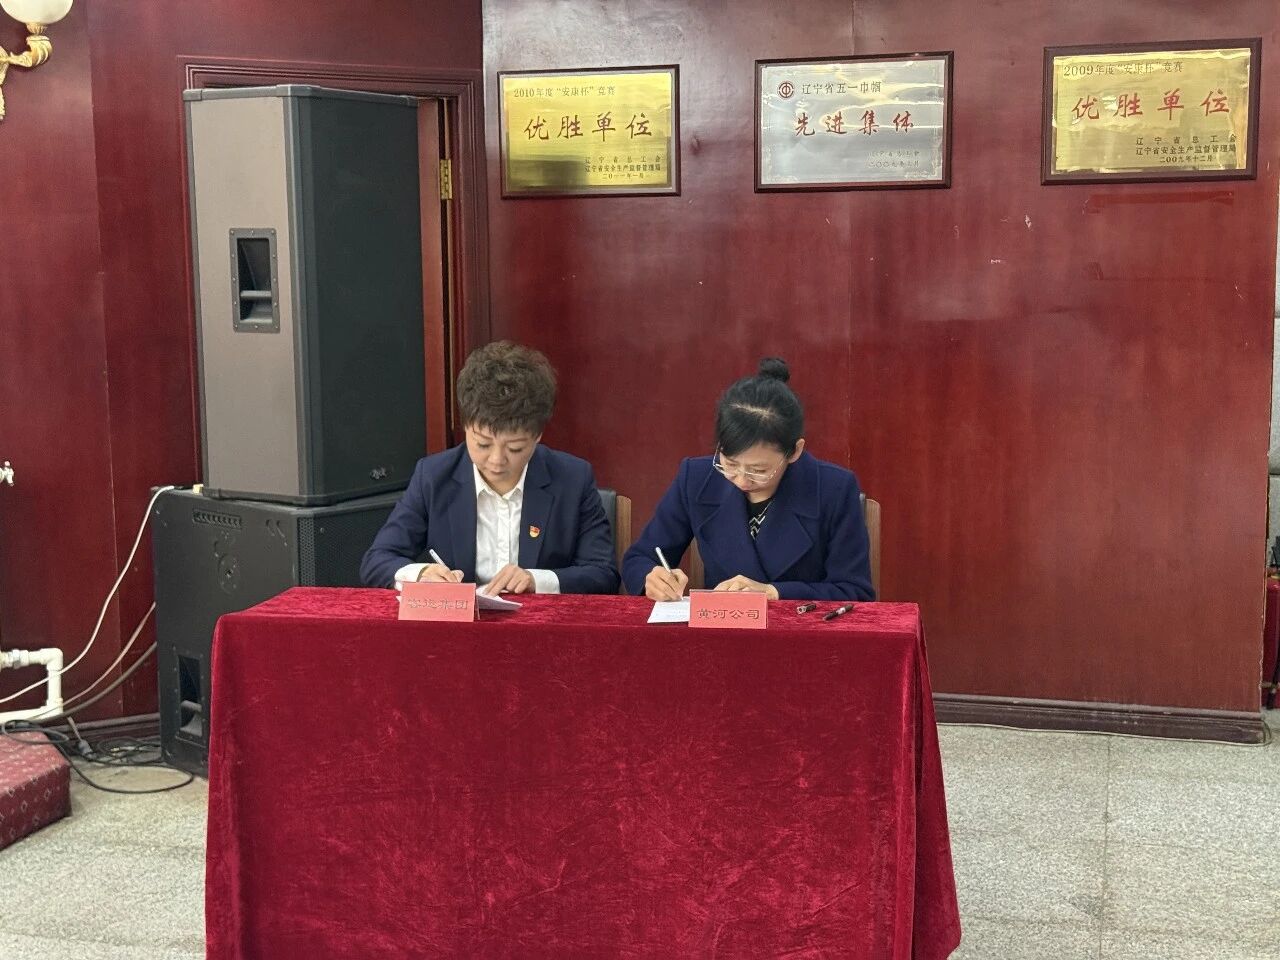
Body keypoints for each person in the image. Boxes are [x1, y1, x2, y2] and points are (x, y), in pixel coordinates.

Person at [361, 341, 619, 595]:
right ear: (466, 426)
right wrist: (421, 574)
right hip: (461, 620)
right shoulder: (433, 476)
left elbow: (603, 574)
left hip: (540, 620)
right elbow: (378, 560)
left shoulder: (573, 479)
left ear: (537, 436)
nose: (496, 460)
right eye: (483, 444)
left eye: (515, 448)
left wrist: (536, 581)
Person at [622, 358, 874, 602]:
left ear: (794, 451)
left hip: (800, 626)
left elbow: (854, 590)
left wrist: (775, 592)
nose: (741, 480)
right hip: (721, 626)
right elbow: (640, 558)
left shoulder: (833, 489)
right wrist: (652, 578)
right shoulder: (697, 477)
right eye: (730, 464)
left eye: (758, 470)